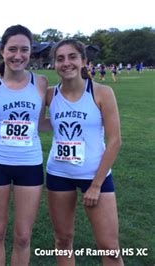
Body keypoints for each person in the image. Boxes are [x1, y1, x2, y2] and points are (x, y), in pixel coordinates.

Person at [0, 24, 48, 266]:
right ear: (2, 51)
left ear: (31, 52)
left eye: (24, 49)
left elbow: (44, 121)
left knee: (24, 237)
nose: (18, 55)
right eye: (12, 49)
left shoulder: (41, 83)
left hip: (30, 164)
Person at [45, 39, 123, 265]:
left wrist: (96, 185)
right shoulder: (49, 95)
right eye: (60, 58)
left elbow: (115, 140)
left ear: (84, 61)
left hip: (94, 176)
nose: (66, 63)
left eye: (72, 57)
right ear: (54, 64)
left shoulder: (102, 92)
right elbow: (33, 120)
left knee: (110, 248)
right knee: (62, 240)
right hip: (59, 175)